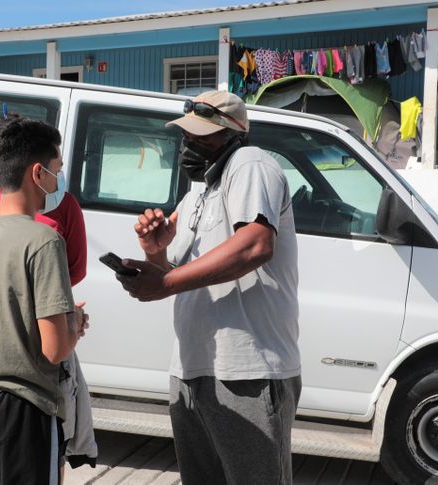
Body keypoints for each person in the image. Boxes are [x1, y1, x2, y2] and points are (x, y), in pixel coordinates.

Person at [116, 90, 301, 484]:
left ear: (234, 135)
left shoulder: (249, 164)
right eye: (187, 137)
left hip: (246, 370)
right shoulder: (198, 191)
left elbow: (255, 243)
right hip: (193, 368)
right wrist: (156, 254)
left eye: (202, 138)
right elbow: (187, 276)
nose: (190, 145)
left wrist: (164, 281)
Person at [0, 115, 89, 484]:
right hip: (23, 414)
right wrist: (73, 324)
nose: (58, 181)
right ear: (38, 173)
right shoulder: (44, 242)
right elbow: (55, 349)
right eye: (57, 170)